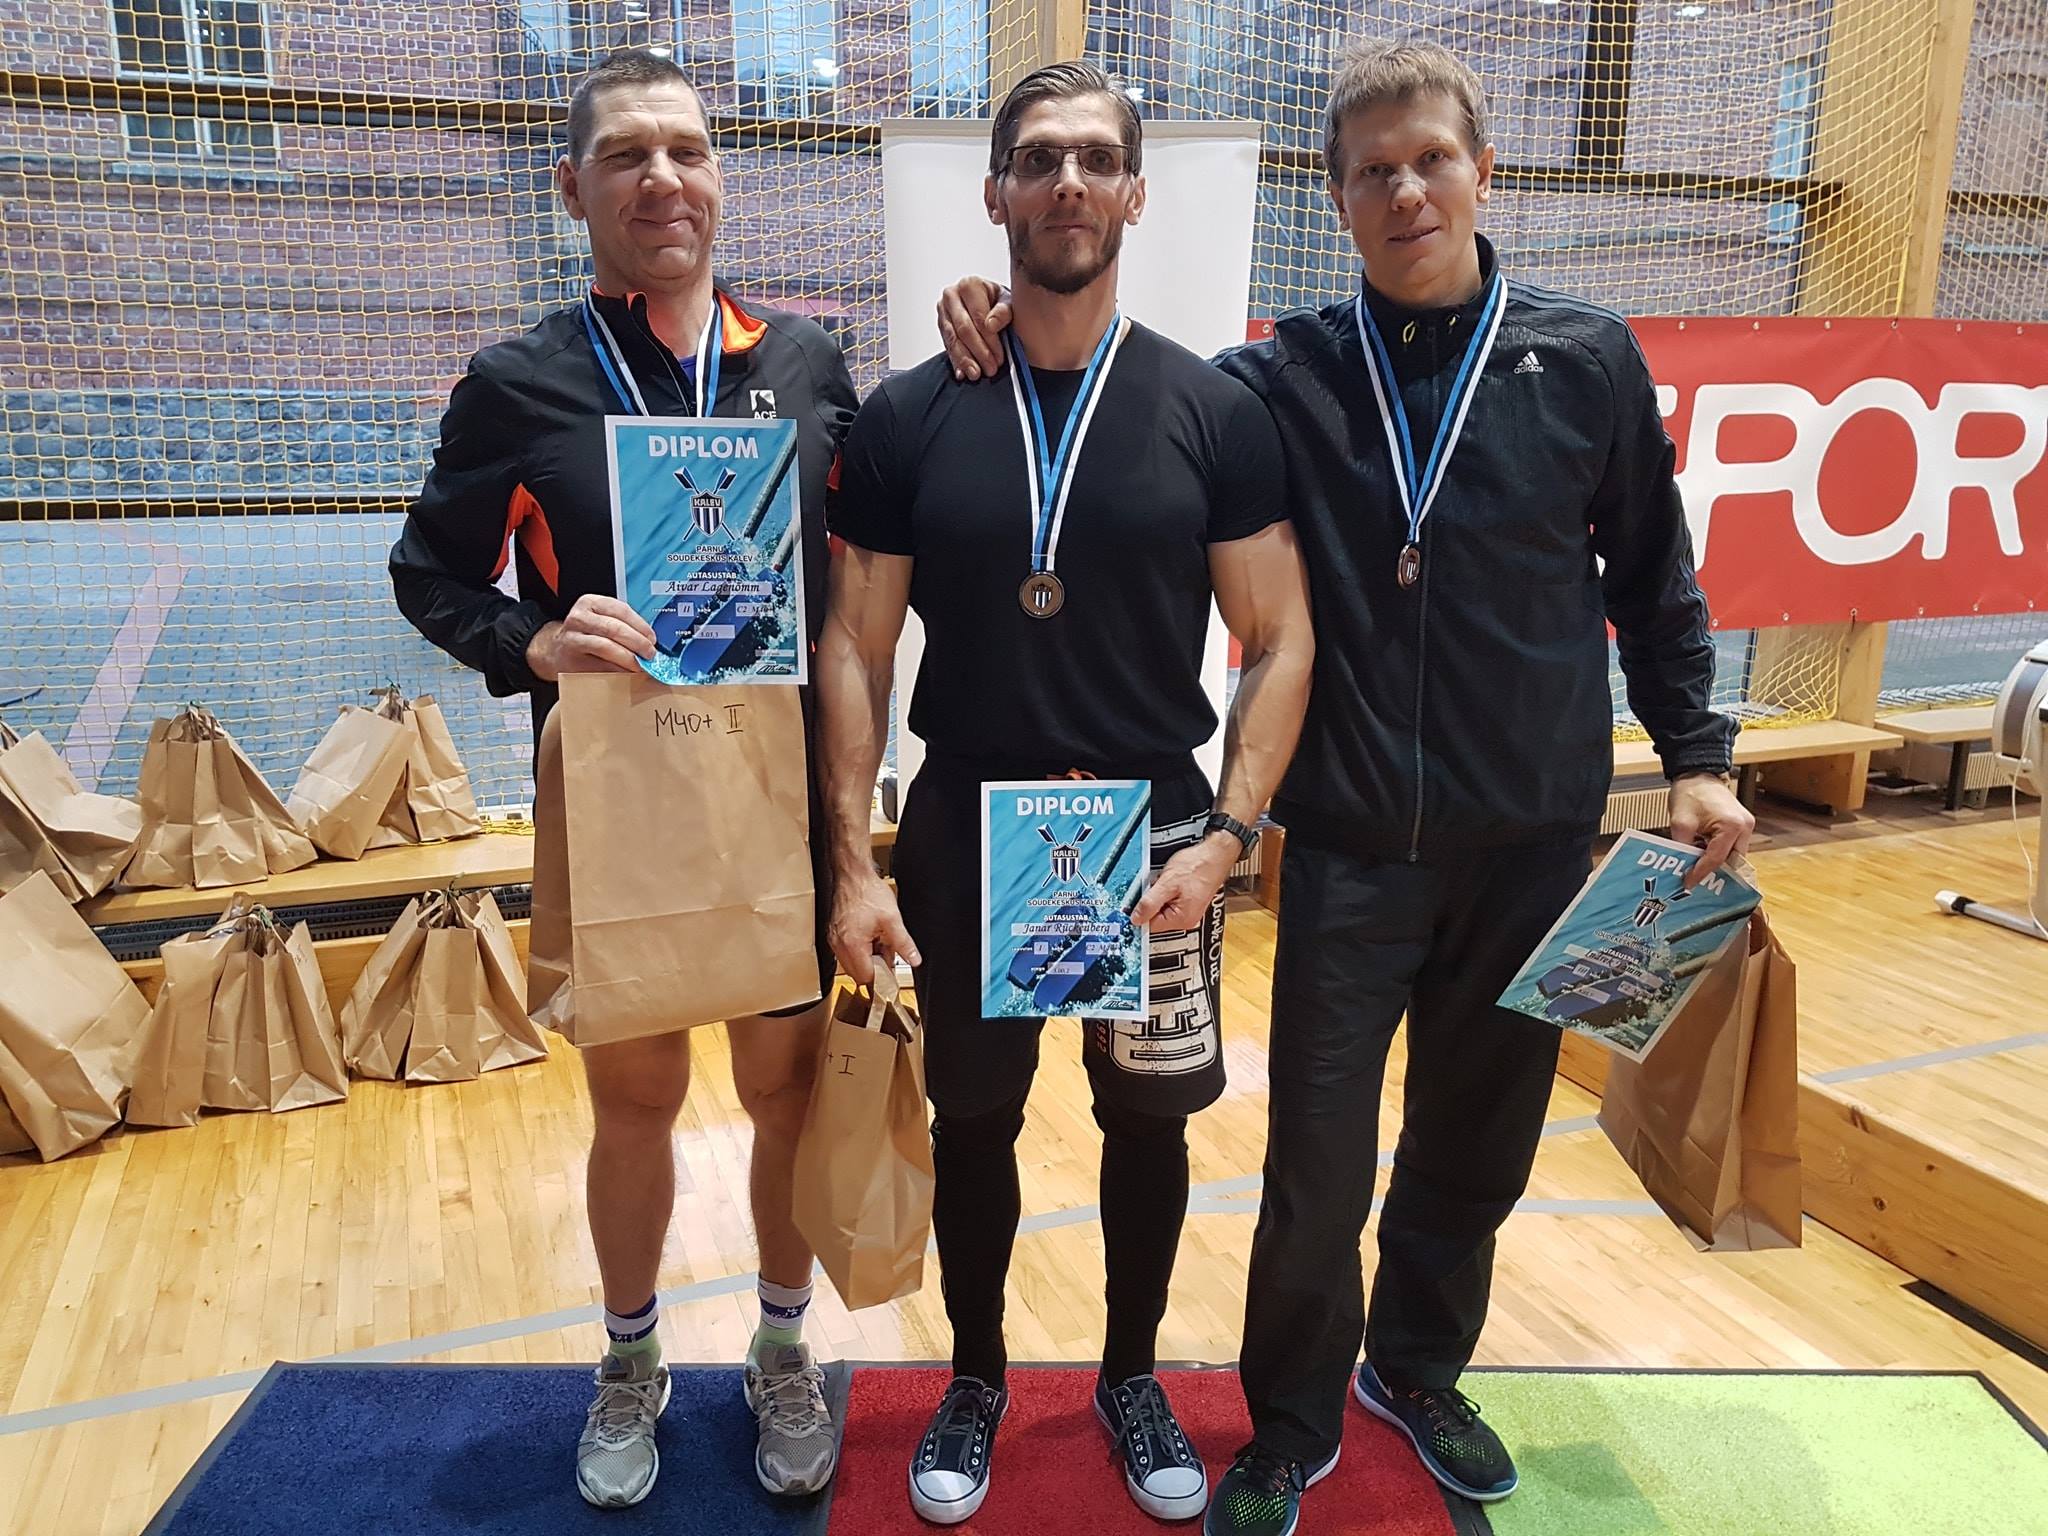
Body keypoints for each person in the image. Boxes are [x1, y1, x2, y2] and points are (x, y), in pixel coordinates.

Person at [934, 40, 1756, 1536]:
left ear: (1482, 170)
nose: (1406, 191)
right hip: (1350, 847)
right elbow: (1102, 380)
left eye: (1431, 160)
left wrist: (1697, 758)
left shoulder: (1585, 358)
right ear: (1337, 198)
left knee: (1477, 1144)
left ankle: (1419, 1371)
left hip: (1533, 842)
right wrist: (990, 309)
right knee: (1317, 1162)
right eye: (1373, 171)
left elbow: (1656, 578)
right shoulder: (1283, 379)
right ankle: (1291, 1421)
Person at [818, 61, 1315, 1527]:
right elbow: (851, 648)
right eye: (1039, 159)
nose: (1069, 183)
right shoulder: (911, 414)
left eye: (1098, 159)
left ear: (1136, 194)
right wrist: (854, 864)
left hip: (1153, 838)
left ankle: (1128, 1374)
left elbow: (1282, 635)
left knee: (1147, 1125)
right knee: (973, 1121)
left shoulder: (1211, 410)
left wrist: (1232, 834)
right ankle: (977, 1374)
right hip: (970, 832)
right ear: (997, 194)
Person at [389, 48, 858, 1511]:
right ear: (572, 186)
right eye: (628, 155)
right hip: (619, 800)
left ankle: (782, 1349)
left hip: (777, 801)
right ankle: (630, 1358)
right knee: (638, 1102)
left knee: (786, 1094)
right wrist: (532, 639)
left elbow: (862, 587)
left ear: (720, 176)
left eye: (689, 150)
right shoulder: (520, 383)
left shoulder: (807, 368)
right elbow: (426, 573)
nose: (664, 178)